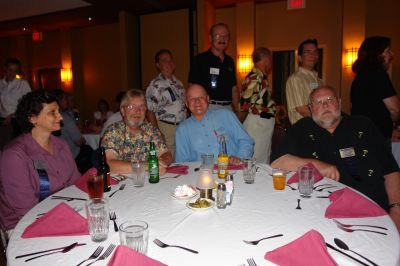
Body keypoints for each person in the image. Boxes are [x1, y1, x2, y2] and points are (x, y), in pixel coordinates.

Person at [271, 85, 400, 230]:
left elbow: (390, 169)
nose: (325, 105)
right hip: (323, 215)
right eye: (318, 102)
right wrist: (317, 165)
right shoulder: (302, 128)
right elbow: (277, 161)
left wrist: (396, 209)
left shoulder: (363, 124)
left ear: (339, 102)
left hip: (373, 212)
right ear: (311, 108)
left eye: (329, 99)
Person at [0, 90, 80, 232]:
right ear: (32, 118)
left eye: (59, 111)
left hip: (63, 212)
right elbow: (25, 211)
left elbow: (76, 184)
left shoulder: (60, 145)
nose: (60, 116)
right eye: (52, 112)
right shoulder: (14, 155)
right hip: (23, 226)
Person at [175, 84, 254, 163]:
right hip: (201, 172)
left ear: (208, 99)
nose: (197, 101)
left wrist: (239, 157)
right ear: (186, 103)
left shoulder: (226, 115)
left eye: (201, 97)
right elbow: (182, 162)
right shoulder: (182, 129)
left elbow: (246, 141)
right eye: (192, 99)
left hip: (231, 170)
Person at [101, 89, 172, 175]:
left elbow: (166, 154)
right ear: (123, 111)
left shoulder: (151, 130)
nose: (138, 111)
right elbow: (109, 164)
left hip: (148, 182)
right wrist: (146, 166)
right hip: (122, 184)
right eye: (132, 106)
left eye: (142, 107)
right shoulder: (112, 131)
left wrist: (161, 162)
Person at [351, 36, 400, 142]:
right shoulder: (379, 74)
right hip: (378, 134)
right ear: (377, 55)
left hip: (362, 133)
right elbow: (395, 108)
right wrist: (392, 126)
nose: (391, 54)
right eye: (387, 51)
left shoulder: (359, 77)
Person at [188, 23, 238, 112]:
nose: (222, 39)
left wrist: (238, 110)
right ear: (211, 38)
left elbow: (234, 89)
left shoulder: (230, 61)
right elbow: (192, 86)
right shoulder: (200, 60)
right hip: (208, 108)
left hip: (228, 109)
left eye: (225, 36)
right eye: (218, 36)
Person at [146, 49, 186, 158]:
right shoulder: (155, 84)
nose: (169, 62)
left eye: (170, 60)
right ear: (158, 65)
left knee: (181, 157)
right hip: (166, 126)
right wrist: (158, 133)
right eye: (164, 60)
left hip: (181, 126)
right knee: (168, 158)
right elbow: (149, 112)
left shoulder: (179, 83)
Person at [239, 47, 276, 163]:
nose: (271, 63)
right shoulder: (255, 78)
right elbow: (245, 105)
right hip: (256, 126)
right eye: (270, 59)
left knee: (262, 159)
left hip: (261, 126)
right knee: (256, 161)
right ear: (266, 60)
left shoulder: (261, 77)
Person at [286, 39, 323, 125]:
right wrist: (324, 123)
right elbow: (302, 110)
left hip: (318, 128)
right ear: (299, 57)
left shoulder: (320, 81)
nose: (313, 55)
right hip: (304, 131)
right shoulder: (295, 79)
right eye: (308, 52)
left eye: (315, 52)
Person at [57, 90, 93, 174]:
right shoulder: (64, 117)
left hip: (62, 152)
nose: (69, 102)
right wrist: (83, 140)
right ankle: (89, 176)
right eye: (66, 99)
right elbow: (79, 142)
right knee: (91, 150)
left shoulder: (73, 112)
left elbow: (79, 124)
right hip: (71, 154)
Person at [0, 58, 31, 139]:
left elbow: (29, 103)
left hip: (18, 120)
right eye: (10, 69)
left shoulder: (22, 83)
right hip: (3, 121)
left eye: (15, 70)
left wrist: (12, 115)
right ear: (5, 68)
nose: (12, 73)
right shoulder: (0, 84)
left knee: (18, 145)